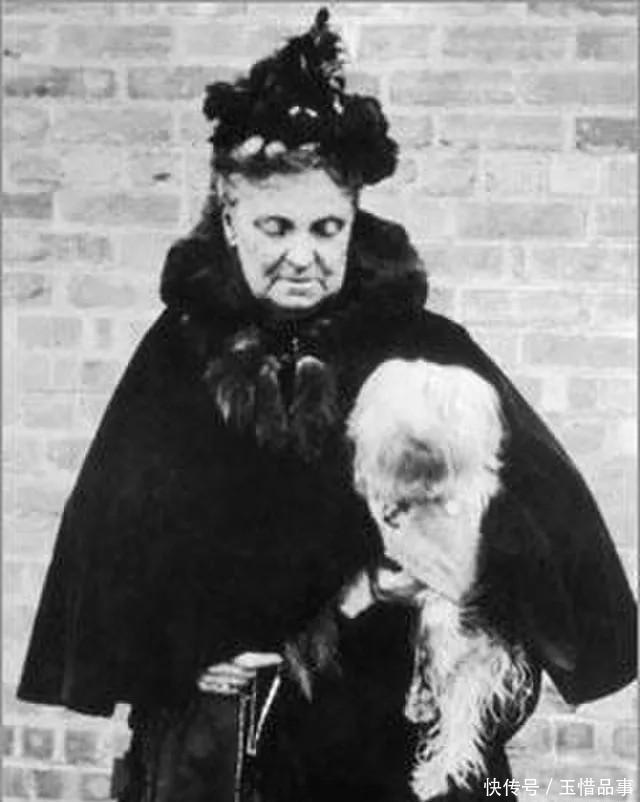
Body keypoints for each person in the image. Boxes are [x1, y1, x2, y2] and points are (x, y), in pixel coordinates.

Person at [18, 9, 636, 802]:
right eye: (275, 227)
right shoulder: (177, 356)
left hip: (385, 735)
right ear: (230, 218)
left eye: (326, 228)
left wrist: (452, 564)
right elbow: (115, 549)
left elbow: (546, 526)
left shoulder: (426, 349)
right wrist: (182, 652)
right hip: (235, 746)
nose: (302, 255)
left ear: (353, 223)